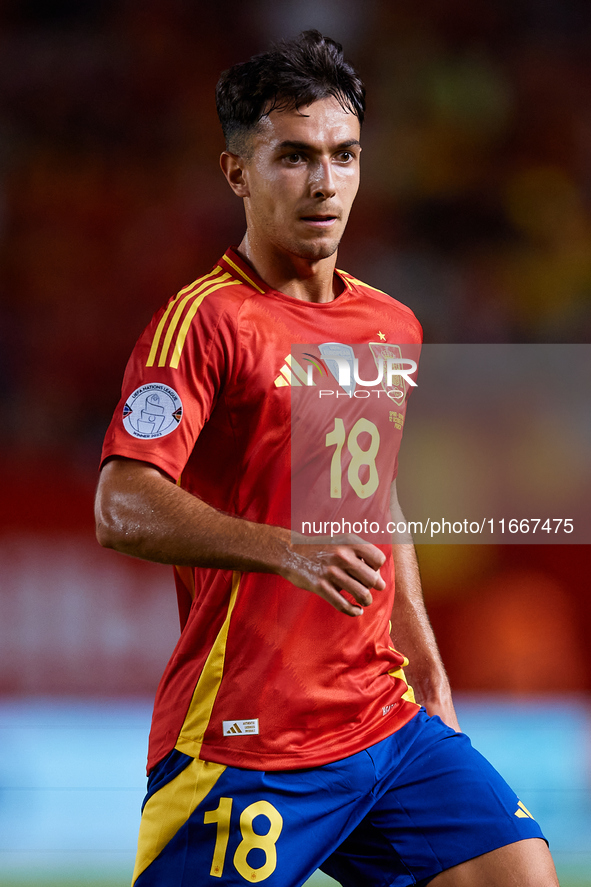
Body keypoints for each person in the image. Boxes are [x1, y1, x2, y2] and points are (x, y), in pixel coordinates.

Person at [95, 30, 559, 887]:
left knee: (520, 874)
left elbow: (373, 493)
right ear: (236, 171)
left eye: (343, 155)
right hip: (248, 739)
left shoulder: (389, 326)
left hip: (383, 722)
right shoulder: (204, 322)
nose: (324, 182)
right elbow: (121, 503)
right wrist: (286, 546)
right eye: (294, 157)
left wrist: (424, 664)